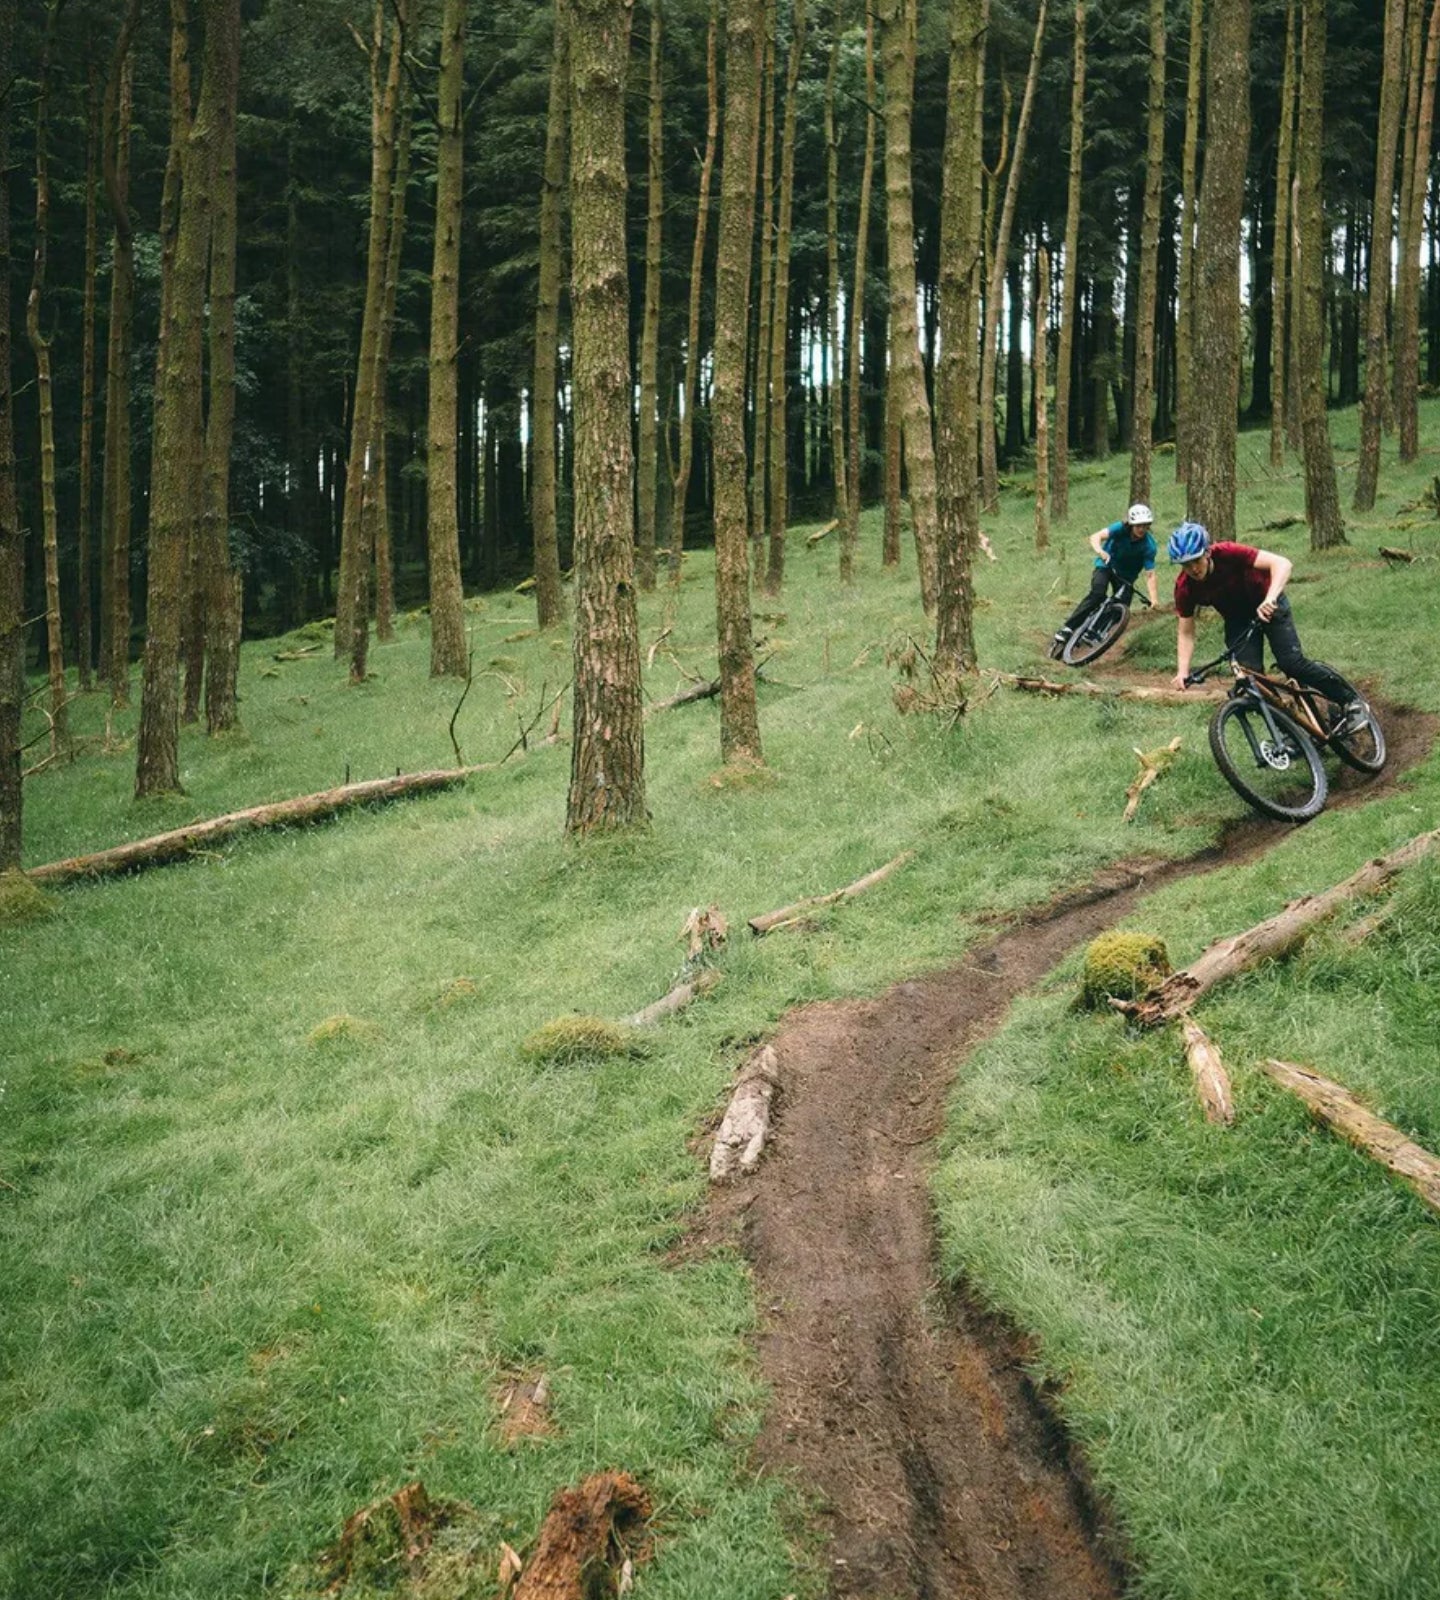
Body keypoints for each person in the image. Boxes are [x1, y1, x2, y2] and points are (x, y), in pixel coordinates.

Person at [1166, 520, 1369, 732]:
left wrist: (1270, 598)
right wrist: (1182, 672)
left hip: (1268, 603)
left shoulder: (1227, 552)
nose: (1192, 569)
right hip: (1237, 620)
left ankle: (1351, 702)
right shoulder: (1185, 588)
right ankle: (1293, 734)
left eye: (1195, 561)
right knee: (1253, 682)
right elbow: (1186, 632)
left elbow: (1282, 563)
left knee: (1291, 663)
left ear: (1206, 552)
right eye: (1185, 565)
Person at [1049, 502, 1161, 658]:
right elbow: (1096, 537)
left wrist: (1154, 600)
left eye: (1145, 526)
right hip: (1106, 566)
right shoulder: (1119, 529)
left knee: (1122, 609)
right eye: (1138, 526)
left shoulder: (1149, 546)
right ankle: (1068, 628)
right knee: (1097, 593)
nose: (1141, 529)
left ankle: (1097, 631)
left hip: (1126, 577)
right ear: (1130, 524)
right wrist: (1100, 551)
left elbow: (1150, 574)